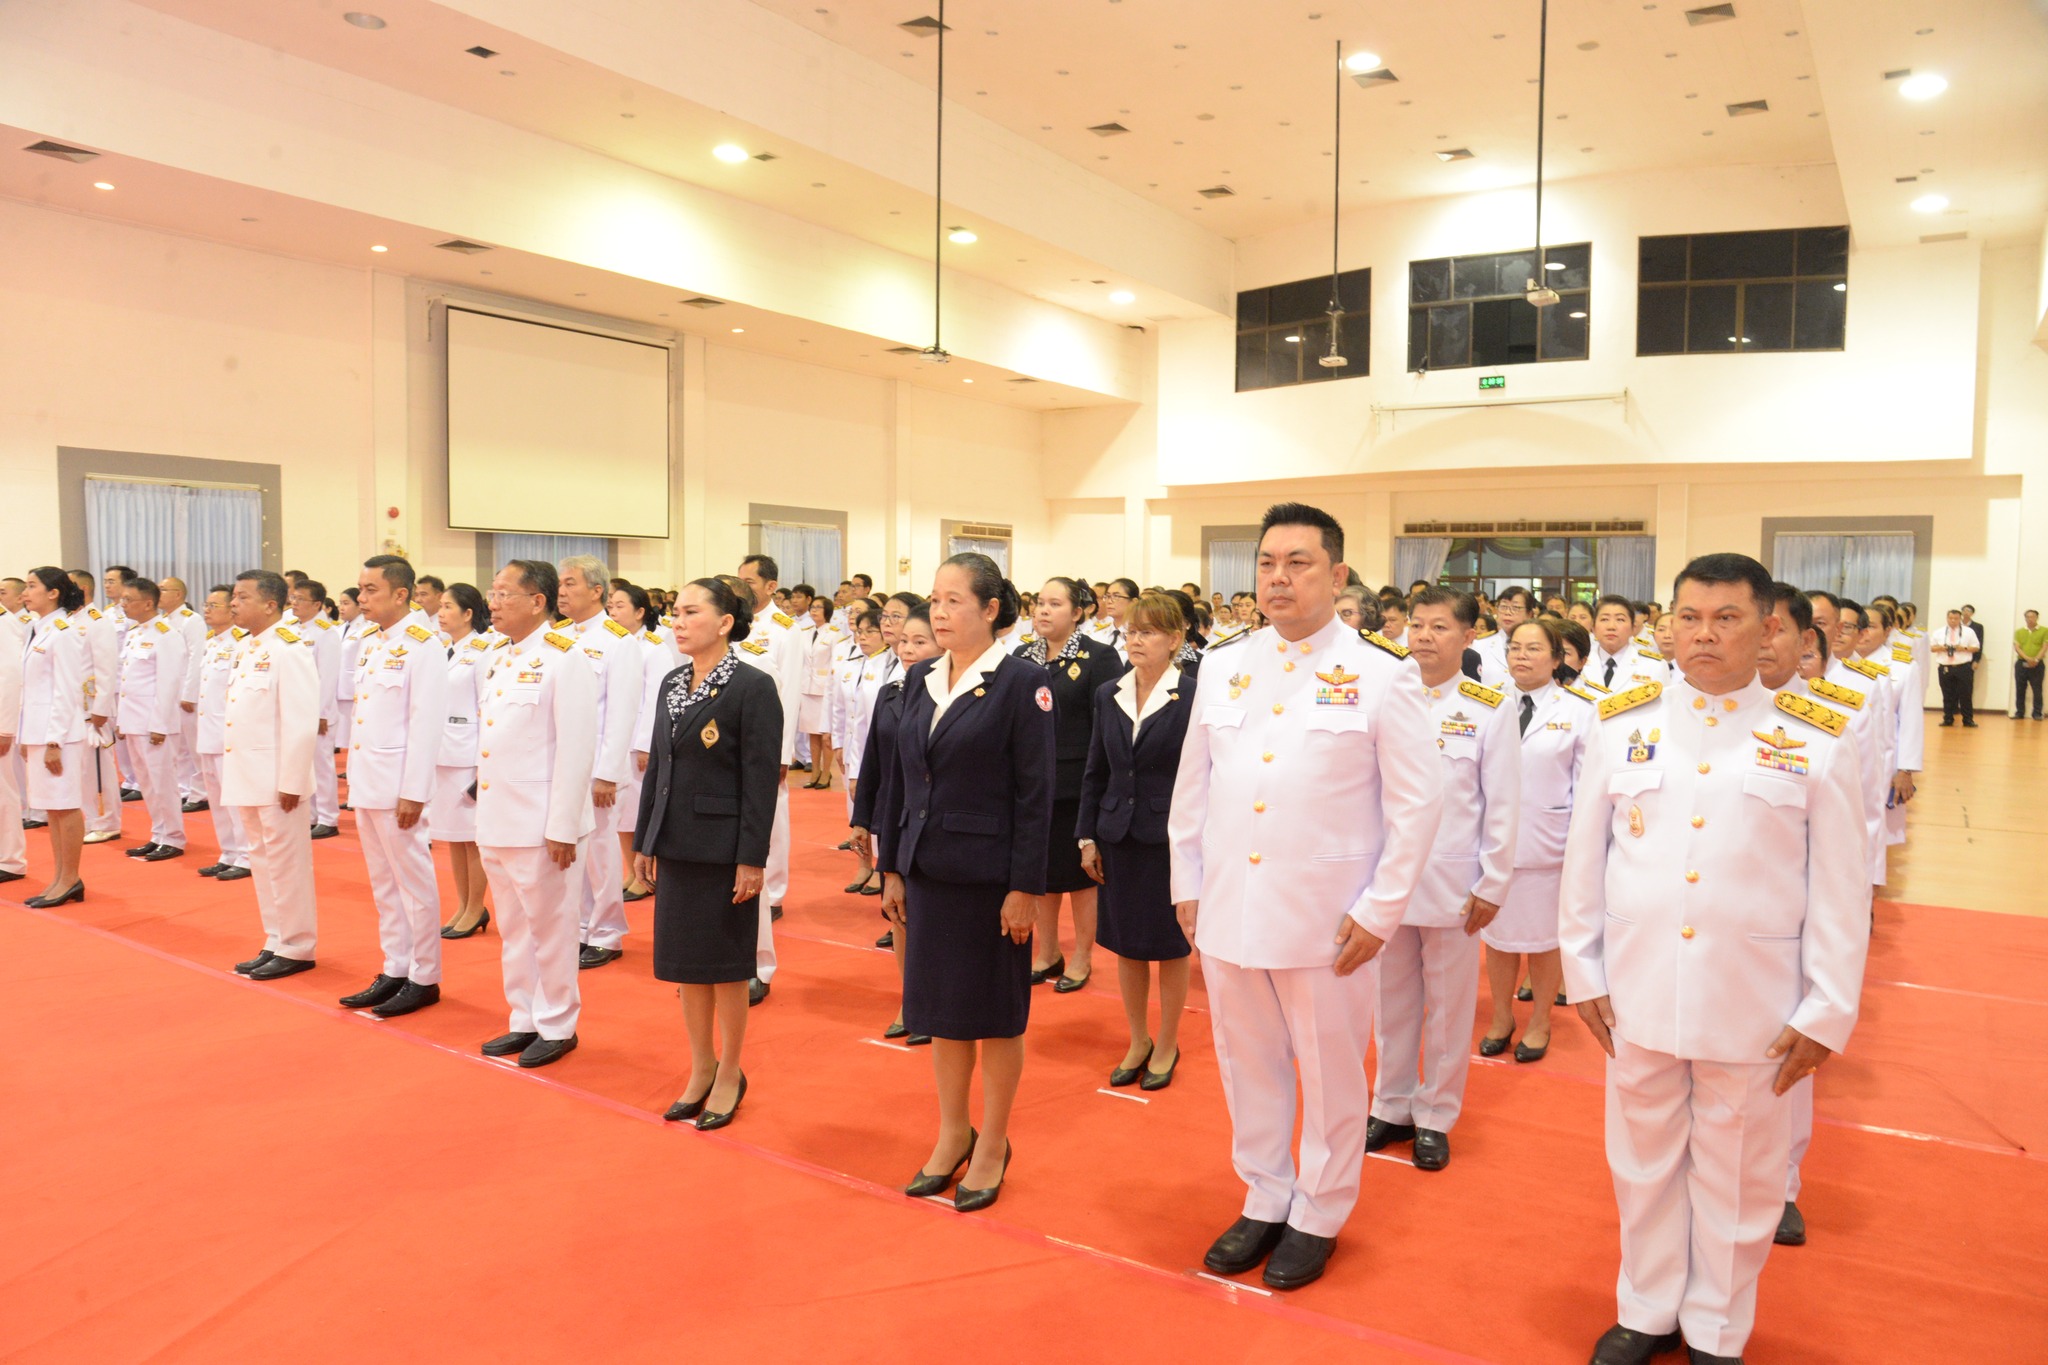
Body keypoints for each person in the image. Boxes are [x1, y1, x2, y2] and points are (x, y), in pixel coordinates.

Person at [1559, 553, 1869, 1365]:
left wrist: (1827, 1008)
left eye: (1726, 617)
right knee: (1644, 1159)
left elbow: (1840, 888)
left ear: (1770, 626)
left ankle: (1716, 1329)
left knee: (1740, 1173)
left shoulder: (1815, 736)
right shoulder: (1623, 722)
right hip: (1637, 985)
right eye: (1688, 616)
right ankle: (1647, 1307)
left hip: (1755, 998)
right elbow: (1582, 859)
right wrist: (1581, 968)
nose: (1703, 633)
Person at [1169, 503, 1445, 1291]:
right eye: (1266, 563)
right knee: (1246, 1062)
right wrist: (1187, 883)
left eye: (1299, 562)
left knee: (1329, 1072)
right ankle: (1263, 1190)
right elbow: (1193, 788)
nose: (1279, 577)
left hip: (1330, 918)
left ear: (1337, 574)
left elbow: (1418, 804)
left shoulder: (1383, 672)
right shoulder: (1223, 664)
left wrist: (1380, 910)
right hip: (1228, 905)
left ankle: (1319, 1210)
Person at [874, 553, 1053, 1213]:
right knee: (943, 1013)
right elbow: (901, 780)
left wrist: (1024, 886)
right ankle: (954, 1131)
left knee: (997, 1017)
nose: (939, 613)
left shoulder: (1022, 683)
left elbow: (1037, 794)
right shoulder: (919, 678)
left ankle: (994, 1140)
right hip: (928, 873)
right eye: (935, 600)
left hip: (990, 879)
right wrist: (893, 863)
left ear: (991, 610)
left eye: (954, 601)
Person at [1368, 588, 1519, 1171]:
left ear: (1468, 637)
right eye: (1418, 625)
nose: (1425, 636)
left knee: (1452, 1008)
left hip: (1456, 881)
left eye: (1439, 627)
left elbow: (1503, 801)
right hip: (1387, 879)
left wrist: (1493, 881)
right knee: (1391, 1001)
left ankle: (1435, 1115)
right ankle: (1391, 1103)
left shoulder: (1488, 706)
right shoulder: (1384, 693)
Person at [635, 577, 782, 1130]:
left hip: (723, 850)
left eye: (691, 612)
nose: (676, 620)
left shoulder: (753, 686)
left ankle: (730, 1071)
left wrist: (752, 857)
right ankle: (701, 1066)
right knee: (686, 969)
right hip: (676, 843)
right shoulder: (673, 682)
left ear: (724, 623)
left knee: (724, 969)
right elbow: (659, 768)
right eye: (675, 611)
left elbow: (760, 780)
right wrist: (646, 839)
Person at [474, 560, 599, 1069]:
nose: (494, 602)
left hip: (542, 823)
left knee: (551, 928)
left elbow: (575, 749)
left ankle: (557, 1023)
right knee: (513, 928)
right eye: (493, 592)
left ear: (538, 602)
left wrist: (563, 825)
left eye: (505, 594)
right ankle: (523, 1016)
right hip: (499, 816)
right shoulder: (498, 657)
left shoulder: (564, 659)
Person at [1077, 590, 1194, 1090]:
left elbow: (1203, 776)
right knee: (1127, 946)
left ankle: (1167, 1041)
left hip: (1169, 838)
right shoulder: (1109, 693)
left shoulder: (1192, 696)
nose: (1136, 640)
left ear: (1175, 639)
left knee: (1168, 947)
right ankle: (1138, 1038)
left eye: (1148, 632)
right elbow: (1095, 769)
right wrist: (1086, 835)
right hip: (1116, 836)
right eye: (1131, 631)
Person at [337, 556, 451, 1018]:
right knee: (384, 884)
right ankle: (395, 966)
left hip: (400, 785)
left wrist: (415, 791)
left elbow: (426, 724)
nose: (361, 598)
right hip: (369, 779)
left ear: (401, 594)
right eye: (360, 590)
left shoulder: (423, 645)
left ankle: (424, 976)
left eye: (371, 590)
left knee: (414, 883)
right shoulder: (370, 641)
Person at [1480, 617, 1595, 1061]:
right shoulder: (1488, 704)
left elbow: (1586, 789)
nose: (1521, 656)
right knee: (1498, 937)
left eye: (1532, 649)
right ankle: (1501, 1017)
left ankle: (1541, 1020)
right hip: (1494, 844)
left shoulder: (1578, 710)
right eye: (1514, 649)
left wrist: (1581, 850)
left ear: (1556, 658)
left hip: (1550, 845)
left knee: (1546, 941)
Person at [1016, 577, 1124, 992]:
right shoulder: (1024, 656)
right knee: (1040, 874)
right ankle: (1048, 952)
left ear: (1077, 613)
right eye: (1039, 603)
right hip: (1033, 784)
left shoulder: (1100, 657)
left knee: (1081, 877)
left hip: (1078, 783)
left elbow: (1109, 725)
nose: (1042, 610)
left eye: (1054, 604)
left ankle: (1081, 954)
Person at [222, 570, 323, 979]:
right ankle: (276, 938)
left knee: (287, 863)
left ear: (269, 604)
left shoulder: (289, 648)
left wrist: (292, 782)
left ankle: (298, 945)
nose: (233, 603)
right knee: (263, 862)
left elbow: (301, 722)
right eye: (233, 596)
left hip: (277, 779)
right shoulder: (248, 647)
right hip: (249, 773)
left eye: (242, 597)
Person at [852, 602, 942, 1040]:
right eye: (904, 641)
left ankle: (940, 1002)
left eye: (919, 642)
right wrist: (861, 819)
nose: (907, 649)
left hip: (936, 821)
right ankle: (911, 1001)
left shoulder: (949, 697)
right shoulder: (890, 692)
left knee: (937, 919)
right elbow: (874, 761)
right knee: (900, 915)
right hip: (894, 817)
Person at [553, 555, 641, 971]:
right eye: (560, 584)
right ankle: (582, 926)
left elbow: (623, 712)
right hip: (566, 765)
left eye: (571, 584)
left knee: (602, 855)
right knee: (573, 853)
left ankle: (606, 932)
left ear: (596, 591)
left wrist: (608, 772)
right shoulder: (557, 637)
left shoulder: (617, 641)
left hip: (600, 769)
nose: (562, 591)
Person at [18, 568, 92, 905]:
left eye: (32, 586)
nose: (25, 592)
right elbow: (31, 690)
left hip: (58, 735)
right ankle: (60, 877)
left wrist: (53, 742)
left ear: (54, 593)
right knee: (51, 809)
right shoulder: (38, 629)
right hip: (39, 731)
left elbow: (66, 691)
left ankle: (71, 878)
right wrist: (26, 736)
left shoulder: (64, 632)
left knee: (65, 806)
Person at [114, 577, 191, 862]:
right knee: (146, 781)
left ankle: (173, 836)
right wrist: (122, 719)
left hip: (154, 723)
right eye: (122, 599)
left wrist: (160, 724)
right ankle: (158, 833)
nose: (122, 604)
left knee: (163, 781)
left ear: (148, 603)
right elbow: (128, 680)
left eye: (128, 599)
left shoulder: (166, 635)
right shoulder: (135, 633)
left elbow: (169, 684)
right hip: (134, 720)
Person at [435, 584, 494, 937]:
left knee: (472, 838)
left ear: (468, 613)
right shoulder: (445, 649)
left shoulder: (483, 650)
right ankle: (462, 904)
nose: (440, 612)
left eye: (447, 606)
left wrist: (482, 765)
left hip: (470, 755)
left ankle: (476, 907)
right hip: (445, 753)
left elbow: (486, 710)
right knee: (453, 837)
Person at [186, 586, 252, 883]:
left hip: (228, 735)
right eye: (206, 604)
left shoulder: (242, 642)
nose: (207, 610)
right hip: (208, 733)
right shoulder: (211, 642)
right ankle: (228, 852)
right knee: (217, 798)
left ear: (232, 609)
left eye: (215, 605)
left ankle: (247, 855)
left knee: (236, 800)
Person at [608, 582, 666, 903]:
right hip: (616, 741)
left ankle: (645, 875)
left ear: (640, 612)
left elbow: (658, 699)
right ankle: (631, 872)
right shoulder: (613, 645)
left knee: (639, 811)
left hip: (638, 742)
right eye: (610, 606)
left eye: (619, 606)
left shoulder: (654, 648)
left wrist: (646, 742)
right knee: (621, 813)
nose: (612, 612)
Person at [287, 580, 342, 839]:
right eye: (293, 598)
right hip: (296, 710)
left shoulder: (325, 632)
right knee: (302, 765)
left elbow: (328, 677)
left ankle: (329, 817)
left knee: (321, 765)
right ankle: (310, 815)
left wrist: (321, 713)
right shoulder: (292, 628)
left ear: (317, 604)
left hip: (318, 711)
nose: (294, 603)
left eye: (301, 599)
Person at [158, 577, 207, 811]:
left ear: (178, 594)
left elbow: (197, 657)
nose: (158, 594)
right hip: (170, 692)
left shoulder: (191, 620)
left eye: (163, 590)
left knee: (194, 745)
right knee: (178, 746)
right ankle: (185, 789)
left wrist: (190, 693)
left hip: (187, 693)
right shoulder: (163, 621)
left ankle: (201, 792)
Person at [798, 595, 838, 787]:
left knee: (824, 735)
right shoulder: (805, 632)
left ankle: (826, 773)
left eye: (819, 607)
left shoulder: (834, 633)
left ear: (827, 611)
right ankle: (815, 772)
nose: (814, 610)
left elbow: (836, 663)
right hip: (807, 687)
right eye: (812, 607)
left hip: (824, 689)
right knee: (811, 734)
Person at [1931, 608, 1977, 726]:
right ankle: (1948, 718)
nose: (1953, 621)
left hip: (1963, 666)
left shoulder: (1968, 631)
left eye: (1955, 618)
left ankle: (1967, 719)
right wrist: (1941, 648)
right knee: (1947, 694)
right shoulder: (1939, 632)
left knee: (1965, 694)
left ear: (1960, 619)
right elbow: (1932, 648)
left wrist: (1963, 648)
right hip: (1945, 667)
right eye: (1950, 618)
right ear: (1947, 618)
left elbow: (1976, 647)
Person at [2016, 609, 2046, 720]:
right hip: (2021, 663)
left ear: (2037, 618)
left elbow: (2044, 646)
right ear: (2025, 618)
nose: (2030, 619)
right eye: (2028, 617)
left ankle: (2037, 713)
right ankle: (2019, 712)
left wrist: (2036, 660)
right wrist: (2028, 659)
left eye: (2032, 616)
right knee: (2020, 688)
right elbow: (2017, 647)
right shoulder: (2019, 632)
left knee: (2037, 689)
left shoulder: (2044, 630)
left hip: (2038, 664)